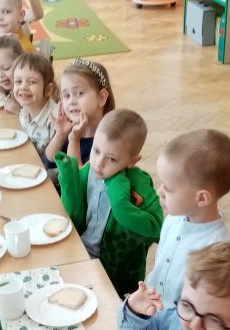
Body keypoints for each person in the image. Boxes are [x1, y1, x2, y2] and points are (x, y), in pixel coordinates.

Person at [56, 109, 162, 296]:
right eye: (96, 151)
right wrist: (68, 173)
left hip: (119, 276)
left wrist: (120, 202)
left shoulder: (139, 184)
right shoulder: (89, 170)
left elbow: (156, 228)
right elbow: (73, 212)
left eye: (111, 159)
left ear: (131, 161)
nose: (99, 163)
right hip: (81, 254)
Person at [146, 129, 230, 309]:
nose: (159, 192)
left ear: (202, 198)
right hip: (151, 309)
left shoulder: (216, 250)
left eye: (168, 188)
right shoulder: (174, 218)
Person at [44, 58, 115, 169]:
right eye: (66, 95)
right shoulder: (68, 129)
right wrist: (60, 135)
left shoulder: (108, 141)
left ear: (101, 97)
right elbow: (48, 163)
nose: (71, 101)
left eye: (80, 93)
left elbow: (77, 177)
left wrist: (74, 140)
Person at [13, 51, 58, 162]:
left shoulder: (55, 120)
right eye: (18, 81)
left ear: (48, 89)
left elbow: (56, 162)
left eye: (32, 82)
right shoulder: (24, 112)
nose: (23, 87)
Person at [0, 34, 22, 114]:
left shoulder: (28, 90)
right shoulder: (10, 88)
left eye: (6, 68)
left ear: (21, 62)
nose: (0, 75)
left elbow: (40, 119)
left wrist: (19, 112)